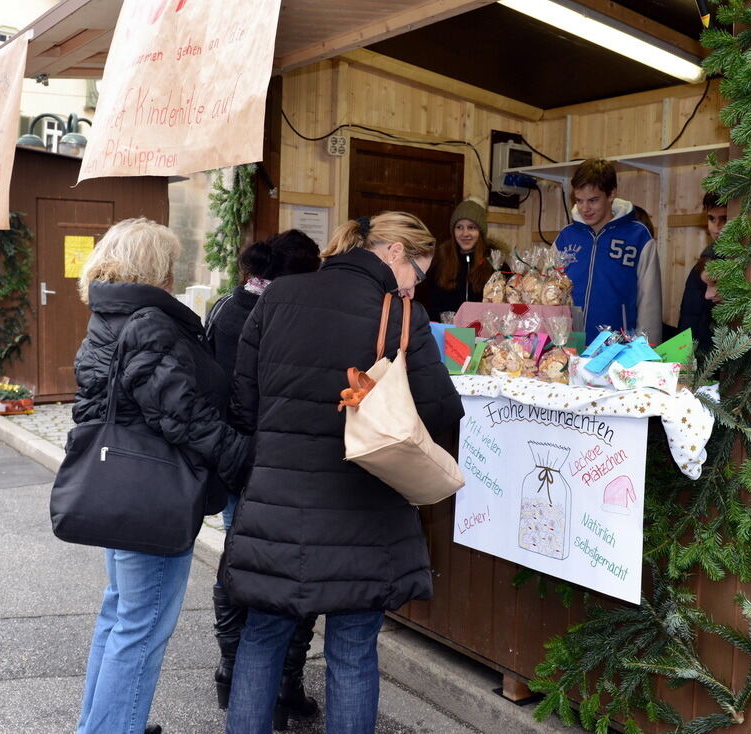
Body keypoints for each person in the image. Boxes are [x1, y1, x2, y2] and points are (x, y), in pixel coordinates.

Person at [221, 211, 464, 733]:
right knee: (352, 651)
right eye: (417, 273)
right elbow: (441, 410)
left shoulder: (278, 296)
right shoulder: (400, 316)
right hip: (364, 510)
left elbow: (242, 404)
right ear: (394, 252)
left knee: (261, 639)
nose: (414, 287)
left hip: (276, 505)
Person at [72, 217, 249, 734]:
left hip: (122, 486)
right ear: (153, 268)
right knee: (142, 626)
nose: (174, 272)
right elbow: (182, 415)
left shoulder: (108, 313)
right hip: (154, 493)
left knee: (120, 616)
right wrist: (244, 457)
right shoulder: (149, 322)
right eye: (169, 262)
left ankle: (101, 726)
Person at [205, 229, 321, 727]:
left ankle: (235, 673)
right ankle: (282, 684)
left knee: (239, 562)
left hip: (237, 458)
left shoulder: (228, 306)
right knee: (292, 571)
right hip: (277, 461)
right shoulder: (287, 315)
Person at [554, 159, 663, 343]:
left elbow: (649, 303)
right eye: (579, 200)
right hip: (568, 345)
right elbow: (548, 294)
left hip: (618, 348)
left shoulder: (638, 237)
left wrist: (648, 351)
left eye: (593, 200)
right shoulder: (565, 237)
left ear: (611, 194)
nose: (585, 208)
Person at [422, 197, 494, 321]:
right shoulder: (439, 263)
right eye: (459, 227)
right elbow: (430, 306)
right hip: (446, 330)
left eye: (471, 227)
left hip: (484, 332)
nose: (465, 233)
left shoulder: (495, 265)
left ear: (481, 232)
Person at [678, 193, 728, 357]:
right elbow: (689, 317)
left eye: (724, 219)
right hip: (698, 355)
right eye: (711, 218)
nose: (716, 227)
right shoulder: (702, 264)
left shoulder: (743, 264)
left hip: (721, 355)